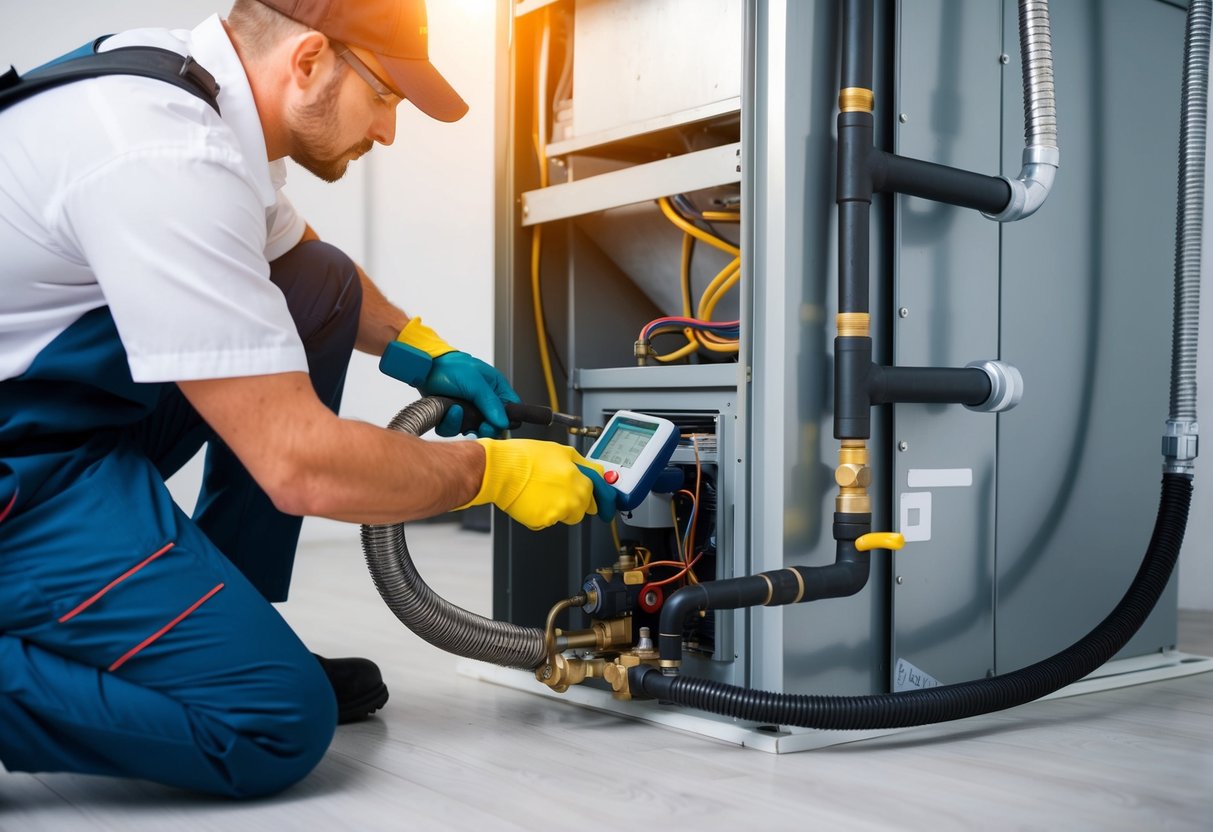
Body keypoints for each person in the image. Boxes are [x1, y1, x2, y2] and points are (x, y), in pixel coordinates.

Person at [0, 0, 615, 799]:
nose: (389, 131)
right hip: (25, 478)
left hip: (57, 427)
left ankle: (229, 618)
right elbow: (299, 467)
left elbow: (303, 263)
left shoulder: (181, 83)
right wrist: (487, 472)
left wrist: (424, 350)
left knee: (317, 288)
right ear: (309, 60)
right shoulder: (164, 154)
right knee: (270, 720)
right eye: (386, 96)